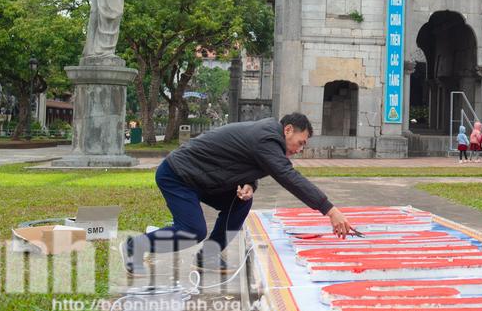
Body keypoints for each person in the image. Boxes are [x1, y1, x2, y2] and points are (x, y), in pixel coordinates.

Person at [120, 113, 351, 276]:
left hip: (204, 178)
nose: (299, 149)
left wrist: (249, 183)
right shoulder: (268, 137)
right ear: (288, 129)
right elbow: (287, 176)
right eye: (300, 143)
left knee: (241, 202)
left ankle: (208, 255)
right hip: (178, 175)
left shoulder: (267, 136)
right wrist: (330, 210)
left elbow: (241, 158)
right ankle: (134, 246)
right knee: (192, 230)